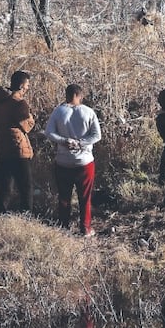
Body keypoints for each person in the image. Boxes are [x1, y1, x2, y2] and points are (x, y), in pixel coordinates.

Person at [45, 83, 102, 237]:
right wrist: (81, 143)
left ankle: (64, 227)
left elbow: (49, 132)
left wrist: (64, 141)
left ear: (66, 95)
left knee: (64, 197)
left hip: (63, 161)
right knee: (85, 197)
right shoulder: (88, 112)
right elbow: (97, 135)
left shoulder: (58, 112)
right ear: (80, 96)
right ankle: (85, 228)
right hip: (84, 162)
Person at [0, 70, 35, 213]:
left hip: (3, 146)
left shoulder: (0, 101)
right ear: (22, 85)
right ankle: (26, 214)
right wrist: (31, 118)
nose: (28, 87)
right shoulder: (19, 103)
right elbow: (27, 125)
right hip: (18, 148)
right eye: (27, 84)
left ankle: (1, 211)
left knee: (6, 183)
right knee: (26, 185)